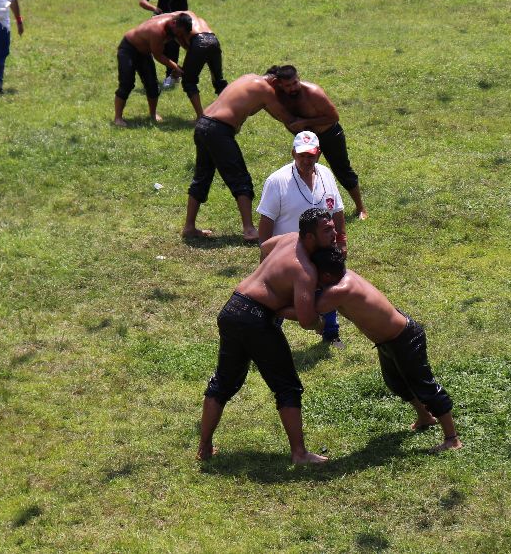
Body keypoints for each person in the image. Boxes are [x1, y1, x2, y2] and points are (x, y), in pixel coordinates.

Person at [197, 209, 339, 465]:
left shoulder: (288, 239)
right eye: (327, 230)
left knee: (224, 382)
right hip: (256, 319)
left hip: (233, 307)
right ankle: (299, 454)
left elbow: (265, 248)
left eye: (333, 227)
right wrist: (317, 323)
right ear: (309, 237)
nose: (335, 234)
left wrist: (270, 282)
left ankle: (204, 447)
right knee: (287, 386)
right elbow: (307, 320)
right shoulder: (304, 270)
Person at [308, 247, 463, 453]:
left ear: (325, 274)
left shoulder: (340, 289)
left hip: (404, 338)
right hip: (389, 341)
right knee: (396, 383)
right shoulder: (344, 276)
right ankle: (426, 417)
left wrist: (272, 304)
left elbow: (307, 311)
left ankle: (452, 439)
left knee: (424, 386)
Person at [183, 69, 300, 241]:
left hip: (203, 124)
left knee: (202, 176)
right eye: (282, 88)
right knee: (240, 179)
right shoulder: (265, 89)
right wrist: (309, 133)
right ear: (274, 81)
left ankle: (189, 227)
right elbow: (285, 118)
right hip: (218, 130)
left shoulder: (248, 78)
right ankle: (249, 230)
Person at [257, 131, 348, 349]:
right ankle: (268, 335)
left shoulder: (326, 174)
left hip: (323, 250)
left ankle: (330, 333)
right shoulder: (277, 181)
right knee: (278, 296)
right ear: (293, 154)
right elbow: (265, 223)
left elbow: (337, 211)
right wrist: (266, 258)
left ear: (318, 154)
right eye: (301, 155)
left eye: (311, 155)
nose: (306, 160)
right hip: (290, 254)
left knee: (329, 289)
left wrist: (341, 240)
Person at [268, 65, 368, 220]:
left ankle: (361, 208)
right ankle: (300, 210)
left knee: (342, 170)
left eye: (295, 83)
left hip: (330, 134)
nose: (293, 88)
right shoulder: (279, 96)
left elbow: (334, 117)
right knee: (302, 172)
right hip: (307, 138)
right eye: (288, 85)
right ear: (280, 84)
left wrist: (304, 121)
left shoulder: (313, 92)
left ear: (299, 78)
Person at [113, 14, 184, 127]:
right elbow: (158, 55)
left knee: (152, 85)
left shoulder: (173, 22)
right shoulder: (157, 31)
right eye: (178, 33)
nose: (178, 35)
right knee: (126, 83)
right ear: (174, 24)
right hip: (128, 49)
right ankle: (117, 118)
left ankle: (153, 114)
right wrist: (176, 67)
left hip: (143, 53)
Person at [168, 12, 229, 120]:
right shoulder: (198, 20)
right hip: (213, 40)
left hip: (198, 42)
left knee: (188, 81)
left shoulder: (180, 24)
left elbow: (188, 46)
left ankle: (200, 116)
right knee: (218, 80)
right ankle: (230, 112)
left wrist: (184, 69)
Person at [138, 0, 189, 90]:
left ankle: (171, 75)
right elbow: (142, 1)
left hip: (176, 22)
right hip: (160, 20)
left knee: (173, 46)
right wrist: (154, 8)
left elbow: (184, 12)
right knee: (159, 49)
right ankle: (173, 73)